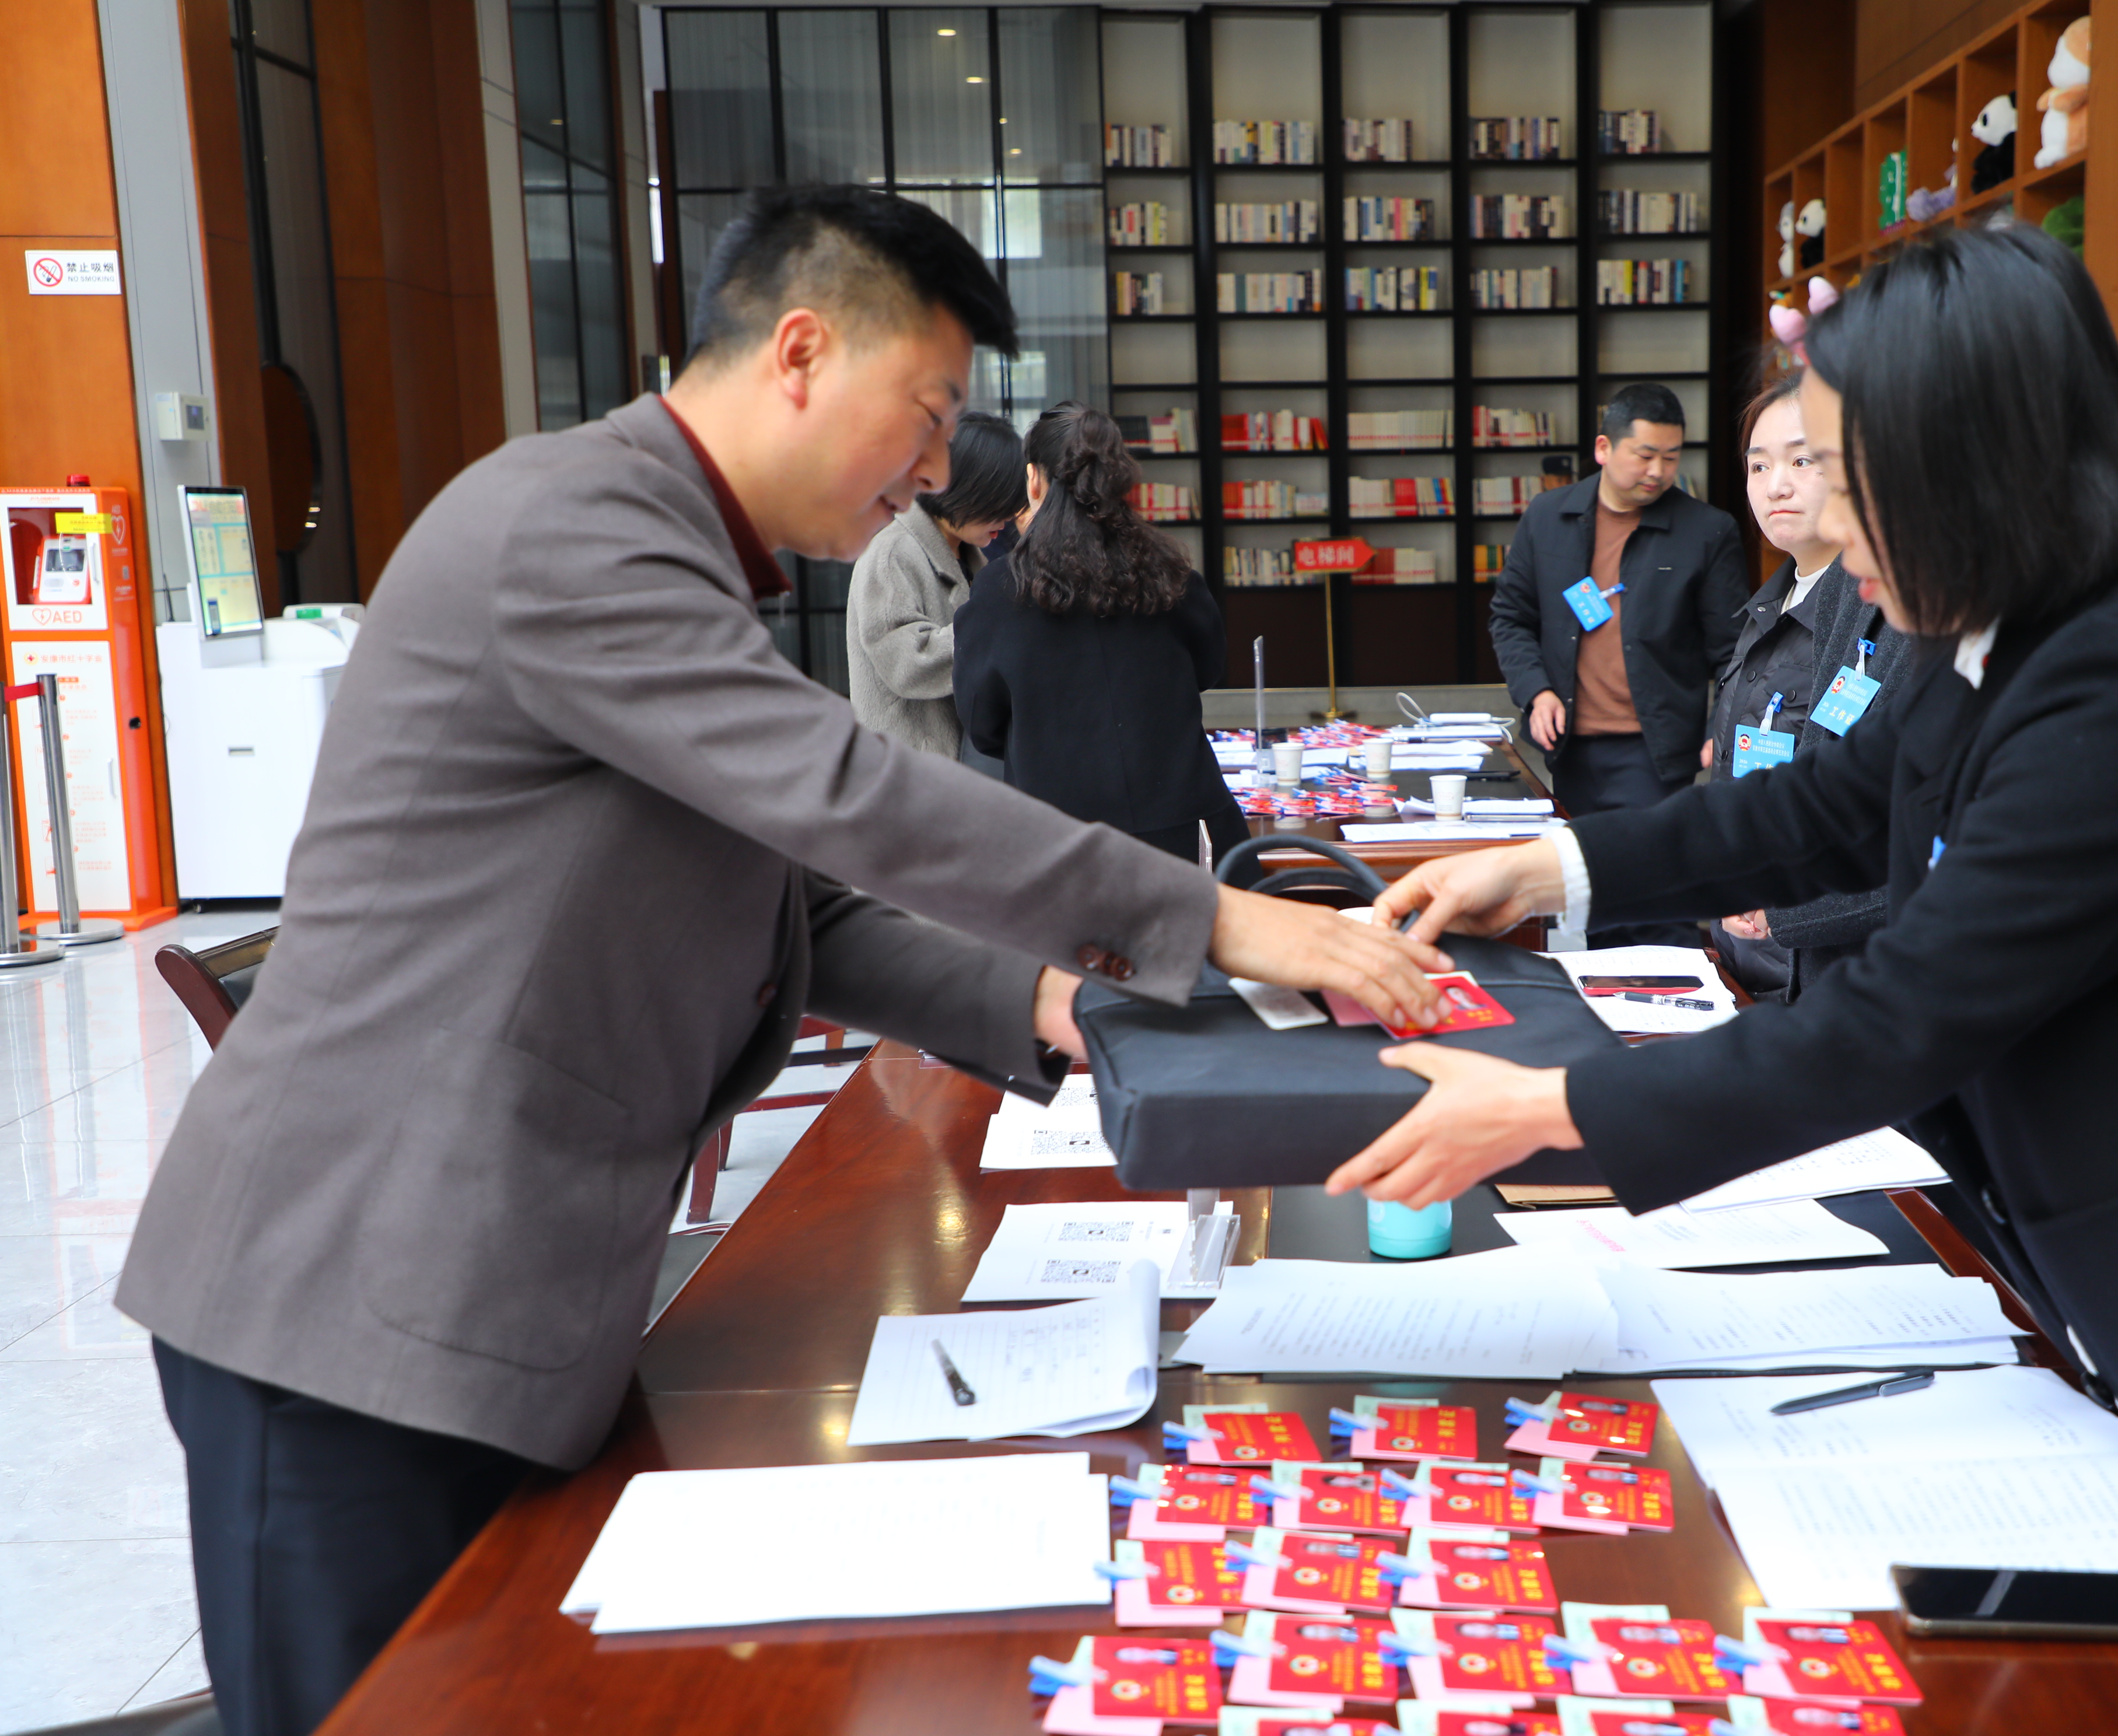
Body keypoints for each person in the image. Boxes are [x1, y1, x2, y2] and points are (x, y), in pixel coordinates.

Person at [114, 187, 1447, 1736]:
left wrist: (1051, 1003)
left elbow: (796, 903)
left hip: (487, 1292)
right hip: (355, 1303)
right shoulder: (573, 526)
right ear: (802, 351)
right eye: (928, 413)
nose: (936, 469)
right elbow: (849, 796)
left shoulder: (681, 558)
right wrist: (1212, 916)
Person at [1326, 226, 2118, 1736]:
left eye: (1850, 479)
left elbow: (1906, 1009)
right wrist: (1552, 869)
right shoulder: (1999, 625)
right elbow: (1823, 803)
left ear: (1977, 468)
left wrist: (1551, 1109)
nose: (1825, 520)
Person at [1486, 381, 1747, 947]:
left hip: (1656, 752)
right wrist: (1536, 691)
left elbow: (1734, 650)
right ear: (1604, 448)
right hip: (1572, 750)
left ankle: (1671, 1001)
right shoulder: (1548, 517)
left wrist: (1718, 729)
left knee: (1658, 901)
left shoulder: (1706, 531)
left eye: (1671, 458)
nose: (1658, 472)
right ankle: (1611, 1001)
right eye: (1645, 455)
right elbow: (1511, 616)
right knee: (1591, 904)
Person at [954, 402, 1249, 864]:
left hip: (1058, 838)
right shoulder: (1170, 572)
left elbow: (982, 722)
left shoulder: (1000, 589)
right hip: (1181, 824)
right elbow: (1208, 668)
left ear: (1033, 480)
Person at [1706, 372, 1912, 1000]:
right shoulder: (1769, 603)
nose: (1777, 485)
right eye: (1759, 466)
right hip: (1748, 937)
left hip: (1824, 955)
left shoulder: (1895, 617)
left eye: (1802, 461)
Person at [845, 407, 1024, 758]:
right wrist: (996, 628)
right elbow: (906, 663)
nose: (1007, 518)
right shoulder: (892, 553)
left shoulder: (970, 555)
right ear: (966, 489)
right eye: (998, 503)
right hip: (905, 767)